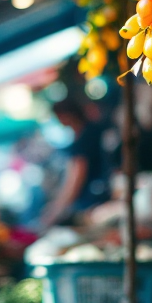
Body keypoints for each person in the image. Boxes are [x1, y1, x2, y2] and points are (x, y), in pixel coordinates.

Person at [39, 96, 110, 228]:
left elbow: (75, 180)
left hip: (95, 204)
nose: (59, 121)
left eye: (59, 116)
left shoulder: (83, 140)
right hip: (100, 198)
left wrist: (55, 212)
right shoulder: (93, 131)